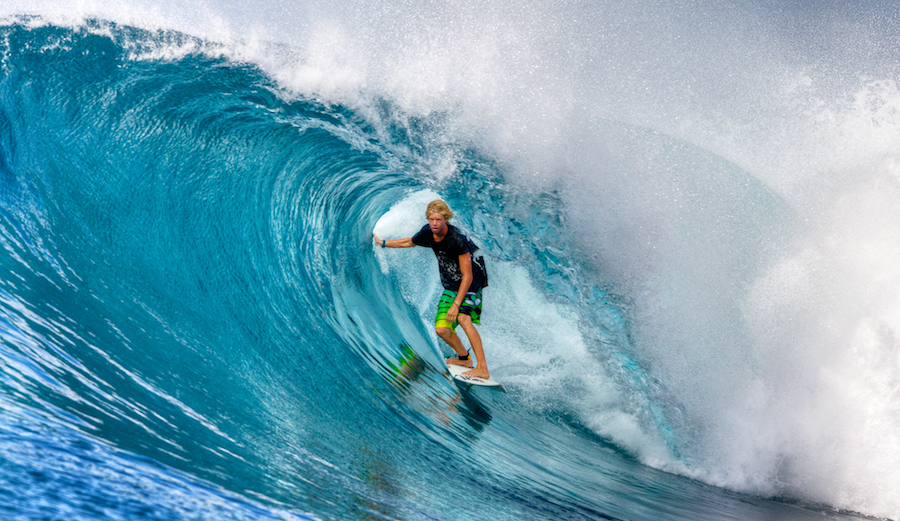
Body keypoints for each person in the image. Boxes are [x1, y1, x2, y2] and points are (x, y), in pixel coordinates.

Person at [374, 200, 490, 380]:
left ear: (446, 219)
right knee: (442, 330)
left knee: (463, 318)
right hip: (451, 286)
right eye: (431, 219)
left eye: (438, 220)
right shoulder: (428, 233)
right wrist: (382, 243)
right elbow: (409, 242)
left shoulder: (457, 239)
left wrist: (456, 304)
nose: (434, 223)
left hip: (472, 284)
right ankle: (464, 359)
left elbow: (467, 276)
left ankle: (482, 368)